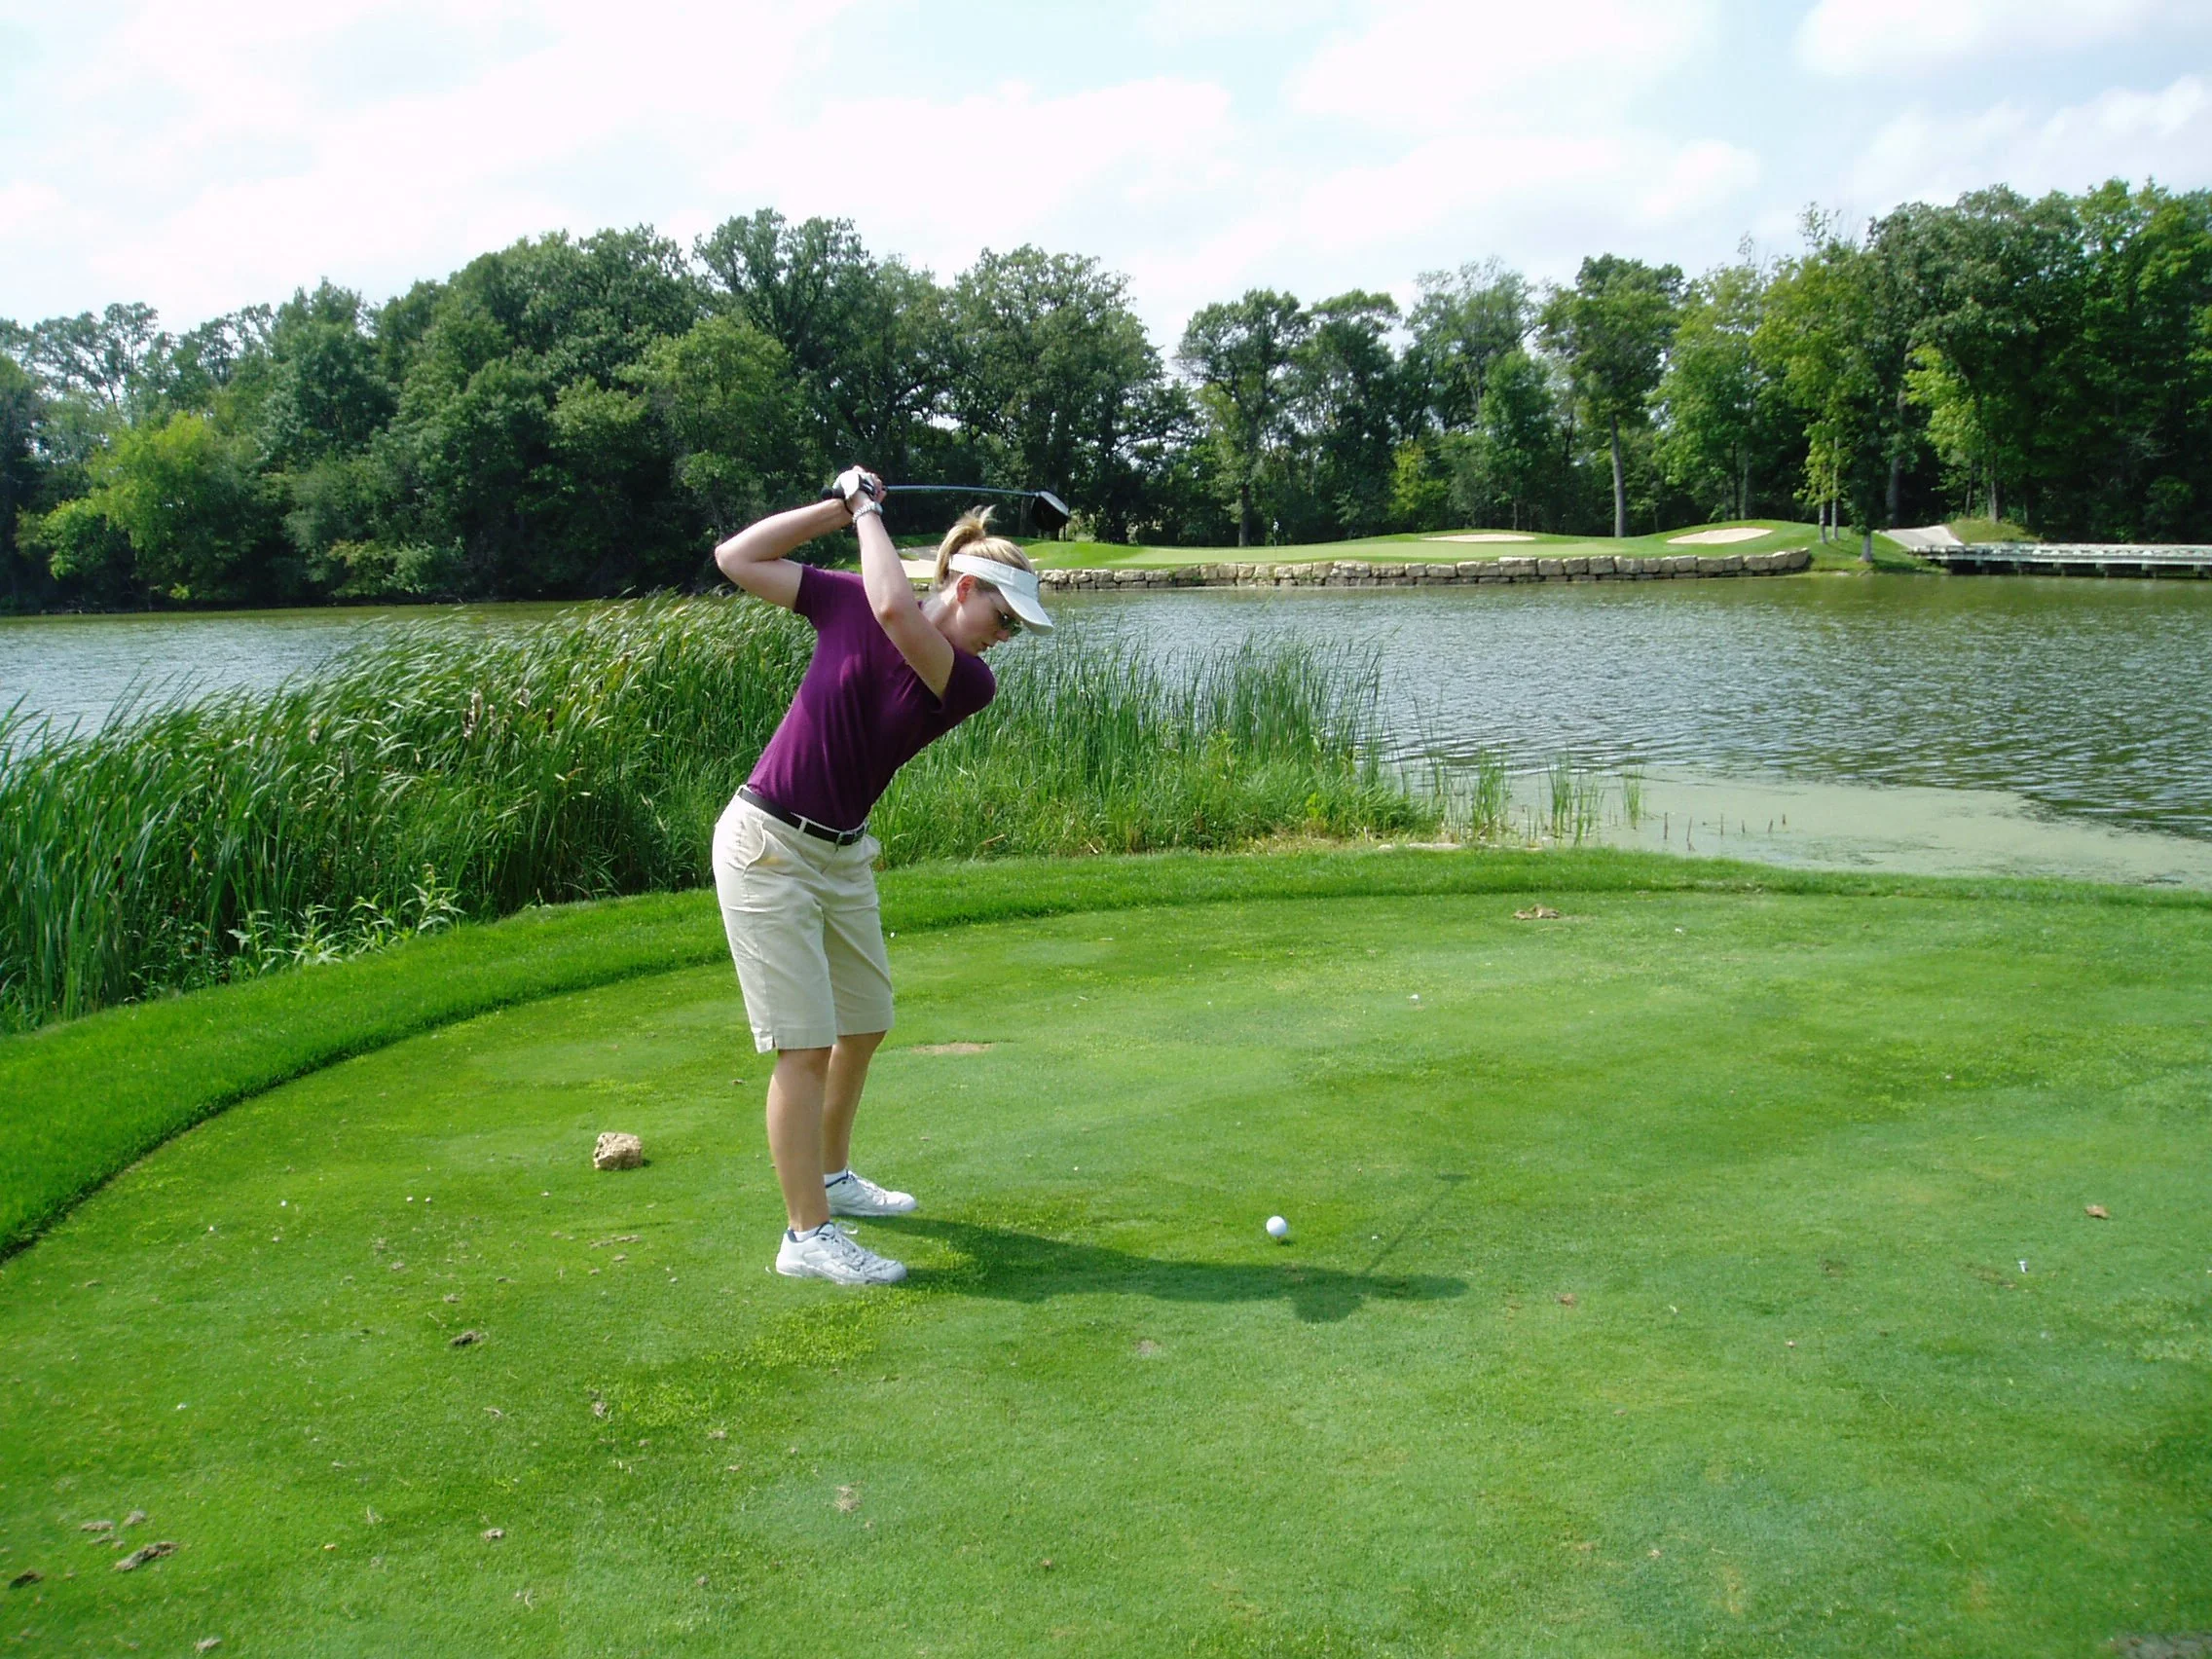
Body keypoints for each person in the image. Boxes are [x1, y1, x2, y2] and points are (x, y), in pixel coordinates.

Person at [710, 468, 1053, 1285]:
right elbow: (736, 556)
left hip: (843, 855)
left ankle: (830, 1179)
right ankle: (806, 1235)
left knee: (861, 1024)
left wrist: (864, 509)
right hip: (767, 847)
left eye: (1015, 627)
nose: (1005, 635)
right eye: (1001, 616)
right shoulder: (843, 601)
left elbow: (898, 608)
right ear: (964, 586)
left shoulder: (969, 680)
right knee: (802, 1046)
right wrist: (838, 507)